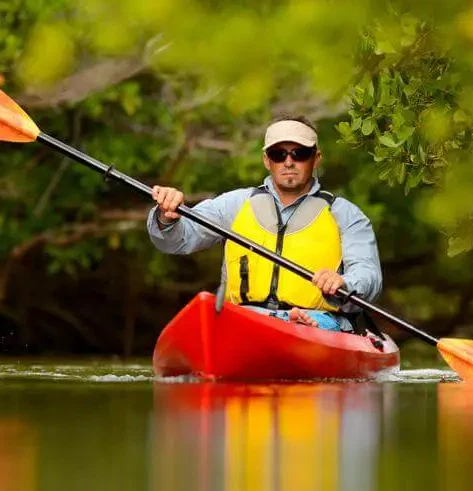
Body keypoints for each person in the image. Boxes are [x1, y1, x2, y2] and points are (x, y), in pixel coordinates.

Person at [146, 116, 382, 332]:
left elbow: (368, 274)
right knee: (213, 316)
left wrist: (344, 282)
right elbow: (176, 241)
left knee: (311, 322)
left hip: (319, 320)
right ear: (267, 160)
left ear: (316, 158)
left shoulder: (346, 215)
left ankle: (301, 327)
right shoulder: (234, 204)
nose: (288, 162)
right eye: (279, 154)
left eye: (299, 154)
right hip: (245, 316)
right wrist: (166, 216)